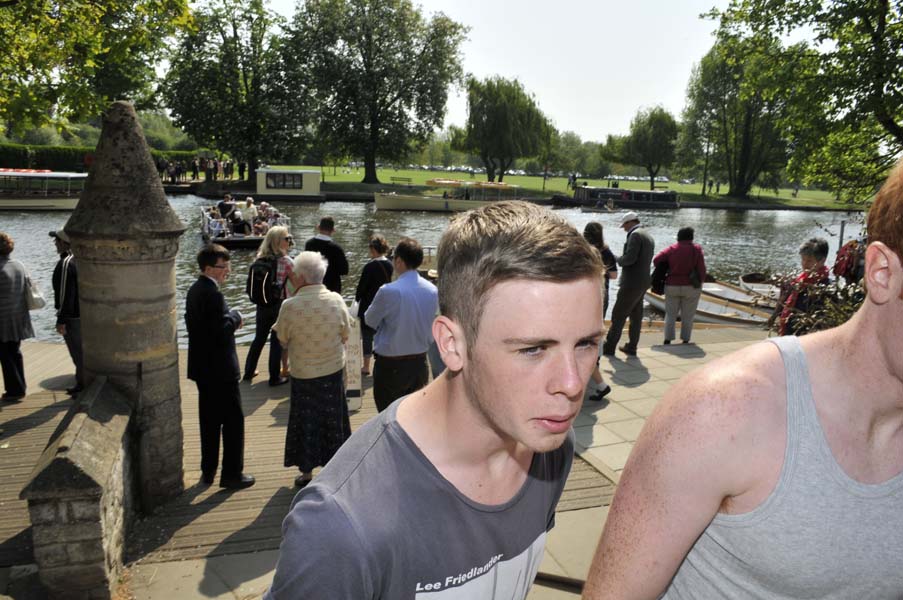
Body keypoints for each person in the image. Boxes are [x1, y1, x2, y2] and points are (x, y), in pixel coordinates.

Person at [581, 161, 903, 599]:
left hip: (664, 290)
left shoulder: (656, 245)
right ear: (882, 272)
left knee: (657, 325)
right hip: (677, 293)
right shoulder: (720, 412)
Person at [266, 201, 604, 599]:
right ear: (451, 344)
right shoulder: (339, 528)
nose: (571, 383)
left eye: (586, 343)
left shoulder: (552, 447)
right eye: (533, 349)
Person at [272, 251, 351, 488]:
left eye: (295, 273)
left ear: (303, 278)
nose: (292, 277)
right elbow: (346, 333)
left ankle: (306, 473)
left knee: (306, 419)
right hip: (332, 369)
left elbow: (282, 339)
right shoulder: (336, 299)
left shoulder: (290, 305)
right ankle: (336, 467)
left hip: (304, 372)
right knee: (332, 418)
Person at [185, 244, 255, 490]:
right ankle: (232, 474)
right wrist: (235, 317)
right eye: (223, 267)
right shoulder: (213, 294)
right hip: (221, 370)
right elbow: (219, 332)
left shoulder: (194, 290)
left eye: (228, 265)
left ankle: (208, 470)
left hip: (203, 369)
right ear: (208, 268)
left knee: (209, 421)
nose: (228, 271)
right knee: (233, 421)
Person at [364, 237, 437, 413]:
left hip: (391, 365)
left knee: (387, 417)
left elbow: (369, 320)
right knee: (415, 417)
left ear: (399, 261)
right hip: (419, 362)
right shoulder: (432, 290)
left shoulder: (389, 290)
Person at [243, 226, 300, 386]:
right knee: (276, 340)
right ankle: (274, 377)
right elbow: (296, 284)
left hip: (262, 304)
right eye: (286, 239)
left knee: (259, 338)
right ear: (278, 242)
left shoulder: (259, 259)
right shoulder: (287, 261)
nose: (289, 241)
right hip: (278, 305)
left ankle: (248, 371)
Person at [601, 212, 654, 357]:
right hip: (643, 281)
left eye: (624, 225)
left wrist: (614, 258)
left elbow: (629, 259)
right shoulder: (647, 235)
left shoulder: (635, 235)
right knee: (636, 316)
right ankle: (632, 346)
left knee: (619, 314)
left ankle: (609, 347)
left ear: (630, 222)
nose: (623, 228)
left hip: (632, 282)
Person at [652, 226, 706, 344]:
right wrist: (700, 282)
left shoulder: (672, 249)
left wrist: (667, 267)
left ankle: (668, 339)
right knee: (688, 316)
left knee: (670, 315)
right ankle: (685, 339)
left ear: (678, 237)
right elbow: (702, 270)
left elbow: (656, 260)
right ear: (691, 237)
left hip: (672, 285)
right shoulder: (696, 249)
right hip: (691, 287)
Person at [582, 222, 614, 402]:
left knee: (586, 351)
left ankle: (600, 384)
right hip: (599, 306)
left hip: (587, 316)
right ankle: (598, 380)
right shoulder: (607, 252)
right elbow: (615, 275)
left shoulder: (581, 252)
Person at [0, 232, 34, 402]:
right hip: (18, 317)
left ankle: (14, 391)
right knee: (15, 352)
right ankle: (20, 387)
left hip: (2, 318)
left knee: (5, 355)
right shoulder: (19, 265)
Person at [354, 235, 394, 376]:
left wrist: (357, 298)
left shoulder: (369, 266)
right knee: (383, 334)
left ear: (373, 249)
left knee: (367, 336)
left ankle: (366, 366)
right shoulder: (390, 264)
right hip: (386, 306)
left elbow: (361, 288)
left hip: (369, 305)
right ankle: (382, 361)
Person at [50, 230, 84, 395]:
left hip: (72, 317)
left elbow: (65, 294)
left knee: (77, 352)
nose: (55, 243)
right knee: (81, 352)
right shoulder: (80, 259)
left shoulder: (66, 263)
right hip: (83, 314)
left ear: (65, 243)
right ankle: (82, 382)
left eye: (57, 240)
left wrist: (61, 320)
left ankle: (82, 386)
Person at [774, 237, 830, 336]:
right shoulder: (798, 282)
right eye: (803, 259)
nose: (804, 264)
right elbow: (783, 308)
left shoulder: (825, 288)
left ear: (822, 261)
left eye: (809, 260)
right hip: (788, 335)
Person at [304, 217, 349, 294]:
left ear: (318, 227)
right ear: (333, 230)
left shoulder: (309, 244)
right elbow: (344, 270)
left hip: (313, 286)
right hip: (331, 288)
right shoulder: (337, 249)